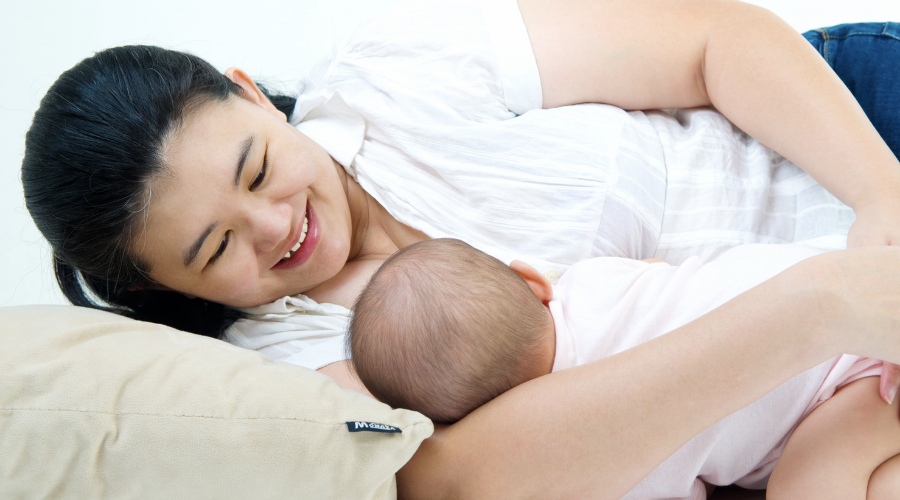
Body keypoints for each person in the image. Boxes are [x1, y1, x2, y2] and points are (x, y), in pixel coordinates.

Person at [18, 0, 900, 496]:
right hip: (814, 412)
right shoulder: (291, 366)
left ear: (250, 94)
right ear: (164, 285)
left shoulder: (393, 71)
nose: (276, 225)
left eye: (255, 169)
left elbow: (716, 43)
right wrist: (814, 311)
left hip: (851, 141)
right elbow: (462, 484)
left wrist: (882, 201)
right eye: (216, 250)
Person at [349, 238, 893, 499]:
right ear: (534, 284)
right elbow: (660, 271)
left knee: (812, 486)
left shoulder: (601, 445)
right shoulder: (589, 280)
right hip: (832, 275)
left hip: (846, 380)